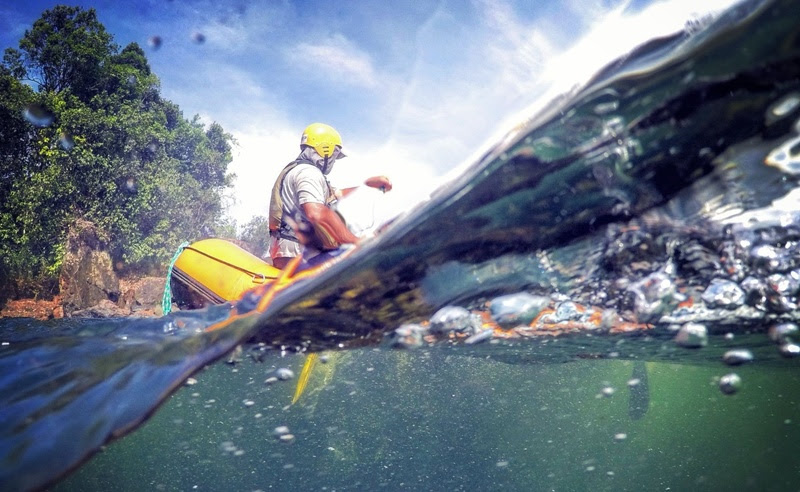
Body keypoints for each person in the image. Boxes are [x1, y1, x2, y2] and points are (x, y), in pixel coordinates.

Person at [268, 123, 392, 269]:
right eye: (334, 154)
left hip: (289, 250)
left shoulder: (301, 170)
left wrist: (367, 186)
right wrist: (355, 241)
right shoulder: (308, 173)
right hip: (298, 253)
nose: (333, 160)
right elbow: (317, 213)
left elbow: (337, 194)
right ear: (325, 149)